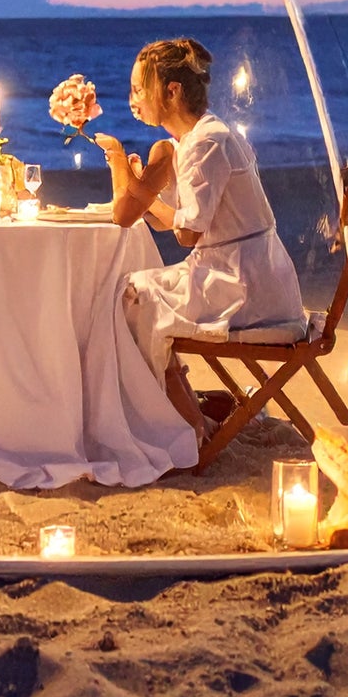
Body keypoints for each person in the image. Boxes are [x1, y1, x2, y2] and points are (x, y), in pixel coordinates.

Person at [94, 38, 306, 445]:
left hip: (246, 285)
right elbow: (153, 221)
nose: (132, 99)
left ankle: (189, 425)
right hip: (238, 271)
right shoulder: (190, 142)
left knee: (134, 297)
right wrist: (137, 183)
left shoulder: (207, 143)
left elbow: (186, 232)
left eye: (139, 88)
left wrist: (127, 170)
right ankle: (186, 412)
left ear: (171, 91)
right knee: (137, 291)